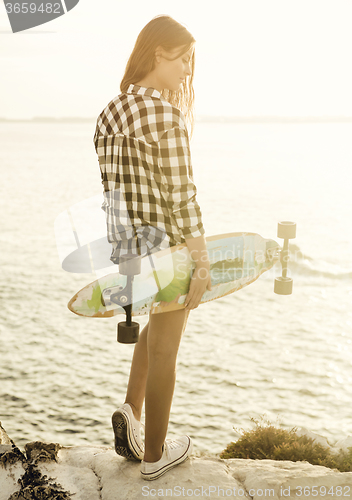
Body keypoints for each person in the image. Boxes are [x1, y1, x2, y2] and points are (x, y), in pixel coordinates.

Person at [93, 14, 211, 481]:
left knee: (155, 330)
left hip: (128, 249)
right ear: (159, 53)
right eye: (183, 60)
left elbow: (111, 189)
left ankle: (131, 410)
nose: (186, 72)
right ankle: (156, 458)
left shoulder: (109, 111)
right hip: (167, 248)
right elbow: (183, 196)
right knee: (167, 348)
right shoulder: (165, 115)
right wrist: (200, 261)